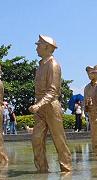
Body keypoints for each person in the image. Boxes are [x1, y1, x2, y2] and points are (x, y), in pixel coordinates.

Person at [29, 35, 72, 173]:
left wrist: (38, 104)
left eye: (39, 45)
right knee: (36, 139)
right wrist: (38, 104)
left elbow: (53, 91)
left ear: (47, 47)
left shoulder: (53, 65)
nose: (36, 48)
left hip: (51, 106)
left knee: (59, 140)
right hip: (40, 106)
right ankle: (42, 169)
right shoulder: (41, 65)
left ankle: (66, 168)